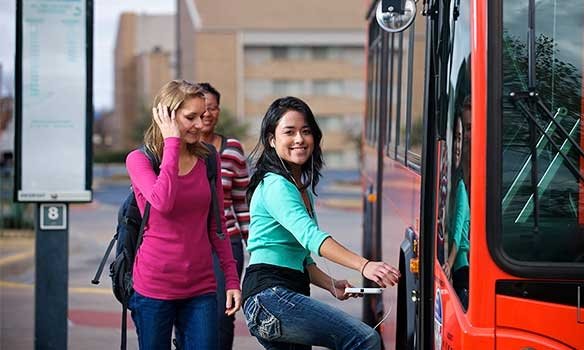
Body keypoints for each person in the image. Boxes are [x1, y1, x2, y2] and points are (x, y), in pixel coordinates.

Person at [241, 96, 401, 350]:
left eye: (306, 131)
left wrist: (331, 284)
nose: (299, 139)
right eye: (289, 132)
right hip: (270, 296)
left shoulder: (298, 188)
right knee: (364, 339)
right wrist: (364, 265)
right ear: (272, 140)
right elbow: (312, 238)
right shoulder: (275, 185)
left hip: (278, 295)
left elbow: (302, 260)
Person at [125, 80, 241, 349]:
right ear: (166, 116)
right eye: (191, 117)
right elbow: (163, 202)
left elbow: (217, 224)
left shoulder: (208, 157)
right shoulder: (139, 160)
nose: (201, 125)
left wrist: (232, 279)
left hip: (201, 288)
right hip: (154, 288)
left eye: (202, 116)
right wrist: (172, 143)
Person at [199, 82, 250, 349]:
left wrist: (254, 243)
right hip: (189, 244)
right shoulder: (178, 150)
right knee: (191, 313)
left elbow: (242, 201)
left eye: (214, 108)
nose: (208, 113)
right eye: (203, 108)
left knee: (223, 313)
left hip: (227, 242)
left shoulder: (232, 150)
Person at [443, 102, 470, 309]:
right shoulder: (450, 179)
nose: (459, 145)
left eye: (462, 139)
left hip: (462, 266)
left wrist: (449, 264)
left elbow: (459, 227)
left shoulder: (459, 183)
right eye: (457, 138)